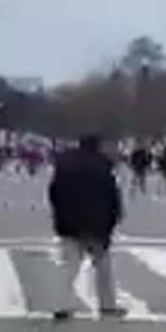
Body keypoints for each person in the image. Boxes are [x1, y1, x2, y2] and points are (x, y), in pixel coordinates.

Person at [48, 134, 127, 321]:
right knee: (103, 267)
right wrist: (113, 219)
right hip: (96, 223)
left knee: (69, 267)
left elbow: (54, 192)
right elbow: (112, 195)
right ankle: (107, 306)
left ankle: (62, 306)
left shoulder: (64, 165)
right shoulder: (103, 166)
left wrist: (59, 215)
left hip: (69, 221)